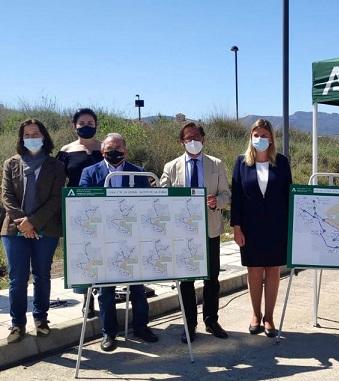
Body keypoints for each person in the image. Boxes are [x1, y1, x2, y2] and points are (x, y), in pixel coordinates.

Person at [79, 133, 158, 351]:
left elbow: (148, 203)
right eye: (109, 149)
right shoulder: (89, 172)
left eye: (118, 148)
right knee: (106, 290)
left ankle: (141, 327)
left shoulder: (139, 173)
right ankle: (109, 333)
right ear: (102, 151)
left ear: (126, 150)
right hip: (103, 239)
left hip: (132, 239)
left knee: (137, 287)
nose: (114, 153)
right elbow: (84, 203)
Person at [160, 121, 231, 343]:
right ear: (181, 141)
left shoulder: (216, 165)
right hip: (183, 233)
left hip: (209, 230)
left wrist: (215, 202)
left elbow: (227, 196)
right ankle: (189, 325)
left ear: (204, 139)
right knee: (186, 281)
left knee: (212, 278)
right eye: (188, 138)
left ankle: (211, 320)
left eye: (196, 138)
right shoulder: (171, 167)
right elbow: (161, 196)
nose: (193, 142)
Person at [1, 119, 65, 343]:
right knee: (17, 279)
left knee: (42, 275)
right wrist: (22, 222)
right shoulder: (11, 163)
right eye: (26, 134)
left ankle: (41, 319)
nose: (31, 137)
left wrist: (34, 222)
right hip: (13, 229)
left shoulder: (56, 166)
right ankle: (17, 324)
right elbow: (6, 196)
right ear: (21, 138)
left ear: (44, 136)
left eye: (35, 133)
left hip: (46, 229)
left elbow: (56, 198)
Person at [231, 119, 292, 338]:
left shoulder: (282, 162)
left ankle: (269, 317)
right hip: (250, 228)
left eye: (264, 135)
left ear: (271, 139)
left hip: (276, 227)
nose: (260, 139)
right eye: (256, 135)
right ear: (250, 137)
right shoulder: (241, 163)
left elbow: (288, 196)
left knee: (273, 272)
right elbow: (236, 197)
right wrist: (236, 227)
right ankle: (256, 315)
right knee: (254, 272)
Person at [56, 108, 103, 318]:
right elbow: (57, 182)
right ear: (74, 125)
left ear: (96, 125)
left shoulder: (106, 148)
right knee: (85, 256)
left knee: (105, 253)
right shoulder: (66, 151)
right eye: (82, 122)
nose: (86, 126)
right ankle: (88, 299)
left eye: (90, 123)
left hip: (105, 211)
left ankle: (106, 296)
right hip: (79, 212)